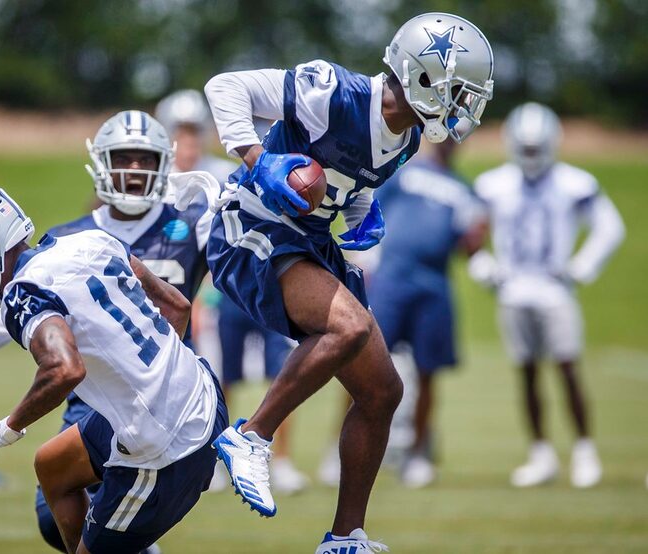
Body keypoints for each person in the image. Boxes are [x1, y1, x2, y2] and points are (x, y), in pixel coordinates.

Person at [201, 12, 494, 550]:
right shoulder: (333, 91)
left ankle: (344, 537)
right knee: (349, 327)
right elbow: (225, 86)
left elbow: (351, 176)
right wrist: (256, 159)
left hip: (308, 241)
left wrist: (362, 209)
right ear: (423, 77)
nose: (463, 107)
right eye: (458, 92)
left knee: (383, 391)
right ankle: (250, 437)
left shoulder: (407, 138)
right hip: (250, 226)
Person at [0, 110, 211, 552]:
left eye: (144, 159)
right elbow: (19, 322)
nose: (134, 169)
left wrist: (9, 426)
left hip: (160, 402)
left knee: (105, 517)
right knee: (53, 501)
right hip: (96, 404)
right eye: (124, 157)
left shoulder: (188, 226)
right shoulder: (80, 238)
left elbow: (55, 352)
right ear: (101, 162)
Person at [157, 90, 308, 494]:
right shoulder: (155, 185)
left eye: (193, 134)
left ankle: (281, 459)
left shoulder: (222, 173)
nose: (187, 144)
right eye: (179, 134)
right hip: (212, 300)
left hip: (253, 288)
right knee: (219, 378)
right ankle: (216, 459)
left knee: (284, 373)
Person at [470, 102, 625, 489]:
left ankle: (584, 450)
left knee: (567, 368)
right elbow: (468, 230)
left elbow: (610, 227)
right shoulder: (494, 184)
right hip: (514, 290)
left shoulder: (576, 183)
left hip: (555, 291)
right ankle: (540, 454)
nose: (532, 157)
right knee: (526, 374)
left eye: (537, 149)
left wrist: (580, 267)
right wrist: (484, 265)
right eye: (527, 148)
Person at [368, 137, 487, 488]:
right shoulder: (403, 173)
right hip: (390, 279)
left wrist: (480, 235)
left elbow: (469, 246)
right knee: (363, 364)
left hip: (433, 286)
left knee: (427, 371)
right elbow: (371, 215)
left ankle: (417, 453)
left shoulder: (464, 189)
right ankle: (340, 447)